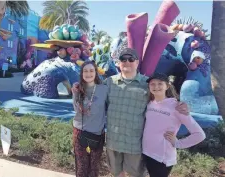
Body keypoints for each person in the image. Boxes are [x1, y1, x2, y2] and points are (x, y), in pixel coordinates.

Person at [72, 47, 189, 177]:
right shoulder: (109, 83)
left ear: (137, 63)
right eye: (123, 59)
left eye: (131, 59)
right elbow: (93, 95)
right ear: (118, 62)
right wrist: (78, 89)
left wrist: (180, 104)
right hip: (113, 142)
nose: (127, 62)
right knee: (117, 173)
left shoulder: (147, 84)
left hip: (135, 143)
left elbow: (163, 99)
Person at [142, 72, 206, 177]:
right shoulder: (150, 103)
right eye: (152, 84)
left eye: (160, 83)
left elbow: (199, 134)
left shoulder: (177, 107)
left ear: (167, 86)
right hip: (147, 153)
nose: (156, 87)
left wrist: (178, 143)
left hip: (162, 158)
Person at [72, 60, 108, 177]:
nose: (88, 74)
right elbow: (76, 110)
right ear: (82, 74)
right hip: (80, 133)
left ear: (96, 73)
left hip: (97, 134)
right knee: (81, 169)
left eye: (91, 71)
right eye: (85, 71)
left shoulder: (104, 89)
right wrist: (75, 93)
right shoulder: (77, 88)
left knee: (94, 169)